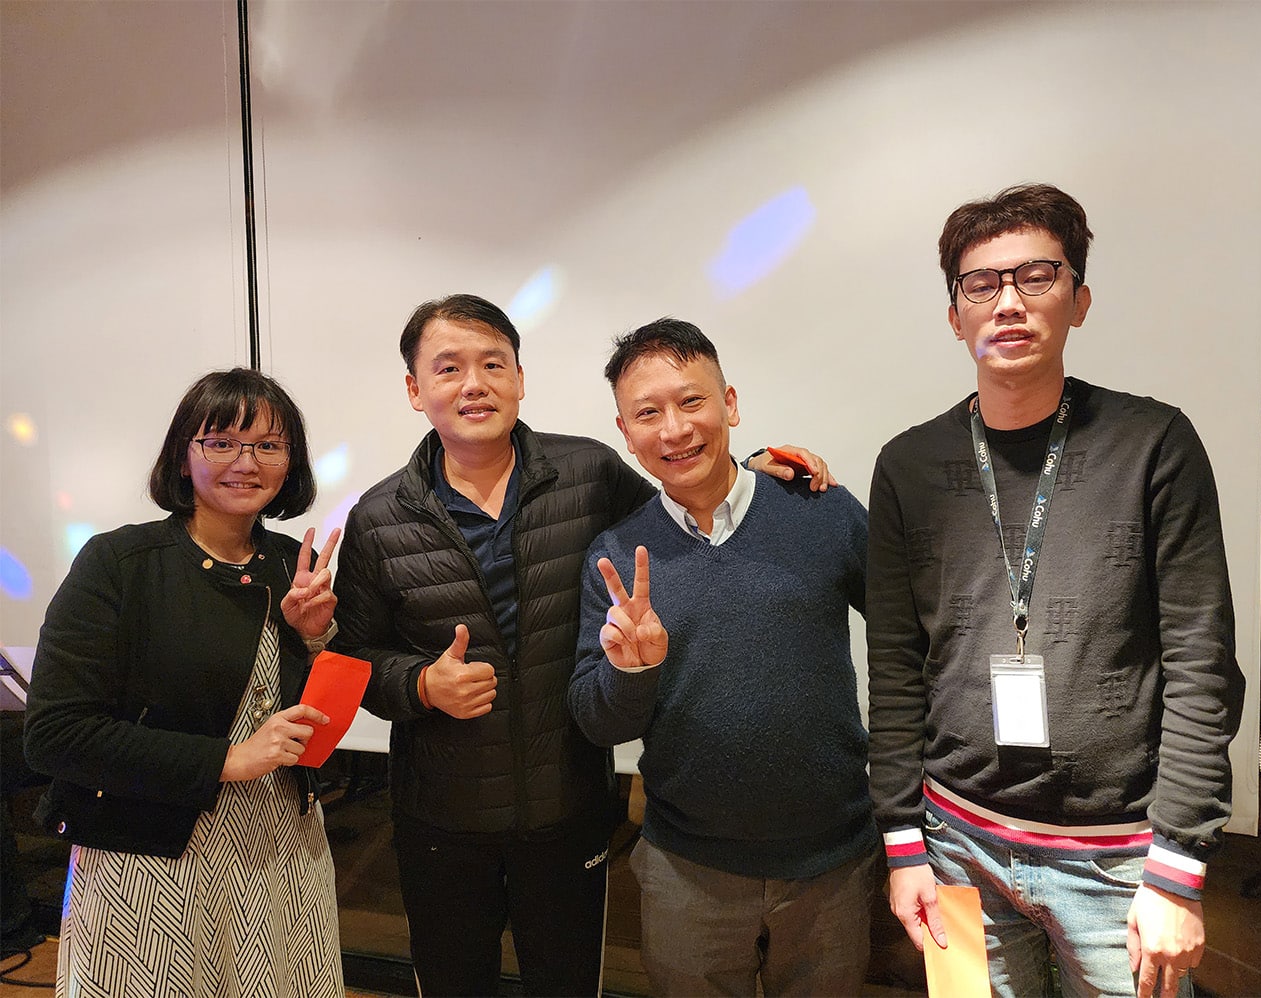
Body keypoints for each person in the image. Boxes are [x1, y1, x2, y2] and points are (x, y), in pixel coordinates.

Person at [332, 294, 831, 997]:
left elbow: (680, 505)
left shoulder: (588, 473)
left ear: (520, 378)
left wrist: (749, 467)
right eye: (448, 368)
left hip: (566, 809)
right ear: (416, 391)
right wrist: (417, 685)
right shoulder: (380, 518)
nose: (473, 384)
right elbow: (352, 660)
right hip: (440, 818)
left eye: (492, 364)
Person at [867, 183, 1245, 998]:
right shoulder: (907, 464)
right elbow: (895, 666)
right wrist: (902, 843)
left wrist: (1177, 867)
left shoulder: (1153, 444)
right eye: (981, 284)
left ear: (1077, 300)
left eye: (1035, 277)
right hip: (955, 844)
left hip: (1118, 862)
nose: (1007, 302)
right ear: (953, 313)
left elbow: (1200, 661)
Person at [567, 318, 880, 996]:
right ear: (625, 434)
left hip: (831, 860)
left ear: (730, 405)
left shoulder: (822, 514)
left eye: (691, 401)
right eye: (647, 413)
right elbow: (595, 720)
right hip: (687, 867)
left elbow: (910, 633)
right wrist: (632, 669)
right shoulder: (616, 555)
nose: (673, 429)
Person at [23, 367, 344, 998]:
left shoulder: (293, 565)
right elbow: (55, 736)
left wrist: (313, 639)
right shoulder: (119, 564)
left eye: (268, 446)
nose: (244, 462)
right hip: (148, 858)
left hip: (280, 851)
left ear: (291, 462)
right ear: (183, 455)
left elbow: (308, 719)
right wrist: (226, 759)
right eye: (220, 442)